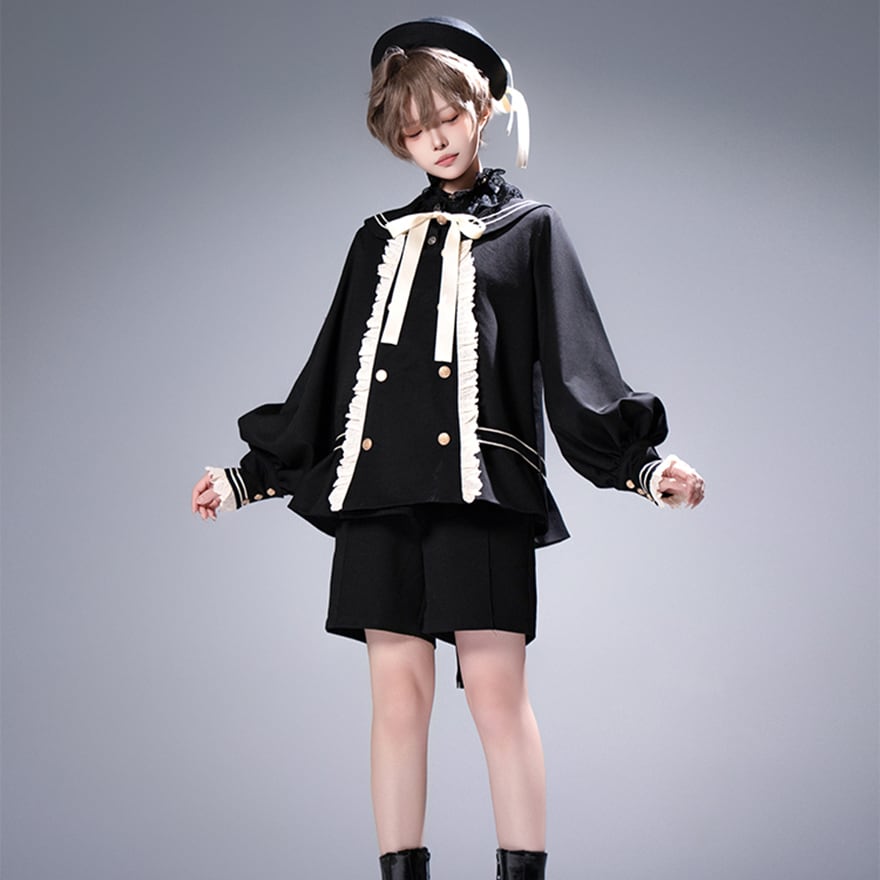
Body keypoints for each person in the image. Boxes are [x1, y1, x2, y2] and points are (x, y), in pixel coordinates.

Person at [191, 17, 704, 880]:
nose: (434, 138)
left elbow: (578, 369)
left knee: (498, 698)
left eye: (447, 116)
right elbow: (330, 375)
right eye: (412, 128)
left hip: (483, 493)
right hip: (378, 496)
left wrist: (644, 465)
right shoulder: (376, 238)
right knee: (397, 704)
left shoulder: (531, 228)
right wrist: (249, 476)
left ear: (483, 110)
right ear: (397, 139)